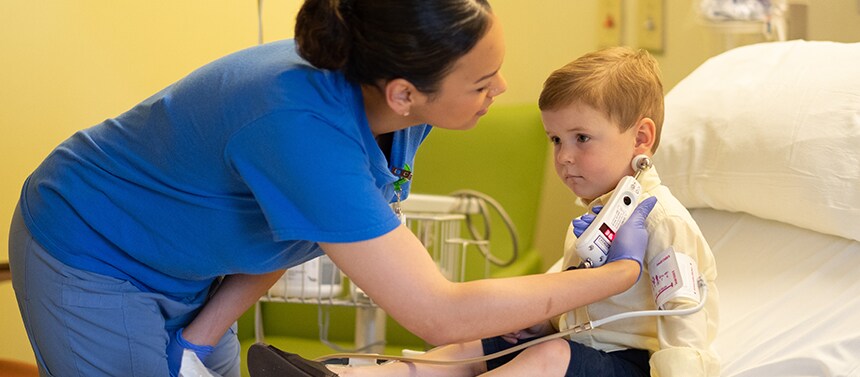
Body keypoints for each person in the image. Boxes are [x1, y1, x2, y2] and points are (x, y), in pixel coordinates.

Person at [8, 1, 656, 376]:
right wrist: (616, 271)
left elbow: (288, 229)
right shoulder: (301, 126)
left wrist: (204, 333)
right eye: (483, 82)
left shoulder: (398, 116)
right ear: (405, 91)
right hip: (94, 251)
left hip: (195, 268)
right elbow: (436, 312)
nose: (501, 91)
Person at [314, 46, 719, 377]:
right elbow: (580, 305)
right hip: (579, 348)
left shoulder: (660, 222)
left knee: (548, 358)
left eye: (582, 138)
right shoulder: (600, 215)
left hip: (632, 365)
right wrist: (541, 325)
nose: (564, 157)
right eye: (556, 140)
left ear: (641, 137)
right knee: (479, 345)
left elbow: (684, 323)